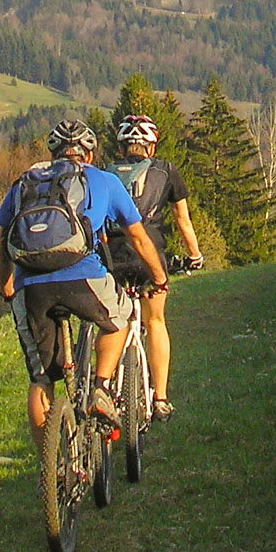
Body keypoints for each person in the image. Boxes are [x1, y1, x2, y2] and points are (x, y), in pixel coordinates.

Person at [0, 118, 169, 449]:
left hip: (30, 286)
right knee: (120, 320)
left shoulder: (23, 183)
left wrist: (7, 285)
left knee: (41, 380)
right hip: (83, 276)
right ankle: (101, 388)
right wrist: (159, 276)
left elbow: (3, 242)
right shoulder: (102, 180)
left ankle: (50, 468)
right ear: (89, 155)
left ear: (52, 152)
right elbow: (138, 235)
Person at [106, 114, 203, 422]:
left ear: (122, 147)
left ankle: (104, 386)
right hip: (150, 261)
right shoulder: (166, 171)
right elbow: (183, 221)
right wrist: (194, 256)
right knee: (156, 321)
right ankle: (159, 398)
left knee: (111, 322)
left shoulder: (103, 174)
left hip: (111, 259)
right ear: (152, 146)